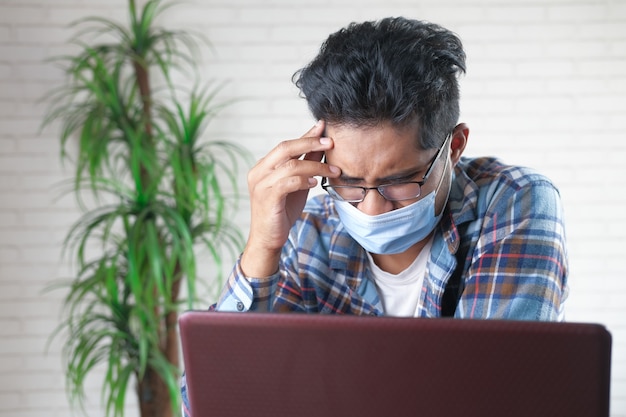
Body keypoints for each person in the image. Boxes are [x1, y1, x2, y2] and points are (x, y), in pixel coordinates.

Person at [181, 16, 568, 416]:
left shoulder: (514, 203)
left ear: (453, 147)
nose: (370, 208)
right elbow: (207, 405)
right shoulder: (310, 232)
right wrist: (262, 247)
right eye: (347, 181)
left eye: (399, 181)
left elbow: (499, 396)